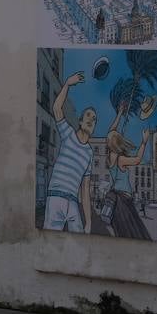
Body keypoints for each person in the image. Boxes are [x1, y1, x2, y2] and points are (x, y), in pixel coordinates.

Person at [43, 71, 96, 233]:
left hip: (73, 202)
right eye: (88, 115)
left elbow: (85, 190)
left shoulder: (89, 153)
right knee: (50, 241)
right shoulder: (69, 134)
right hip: (56, 197)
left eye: (94, 119)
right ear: (80, 121)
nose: (91, 119)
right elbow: (56, 108)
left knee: (78, 246)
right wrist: (67, 84)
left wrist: (88, 222)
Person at [105, 125, 151, 239]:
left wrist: (120, 114)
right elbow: (137, 160)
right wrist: (144, 142)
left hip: (116, 200)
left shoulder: (109, 158)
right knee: (134, 232)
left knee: (121, 232)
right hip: (123, 200)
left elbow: (111, 130)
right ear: (118, 143)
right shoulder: (120, 159)